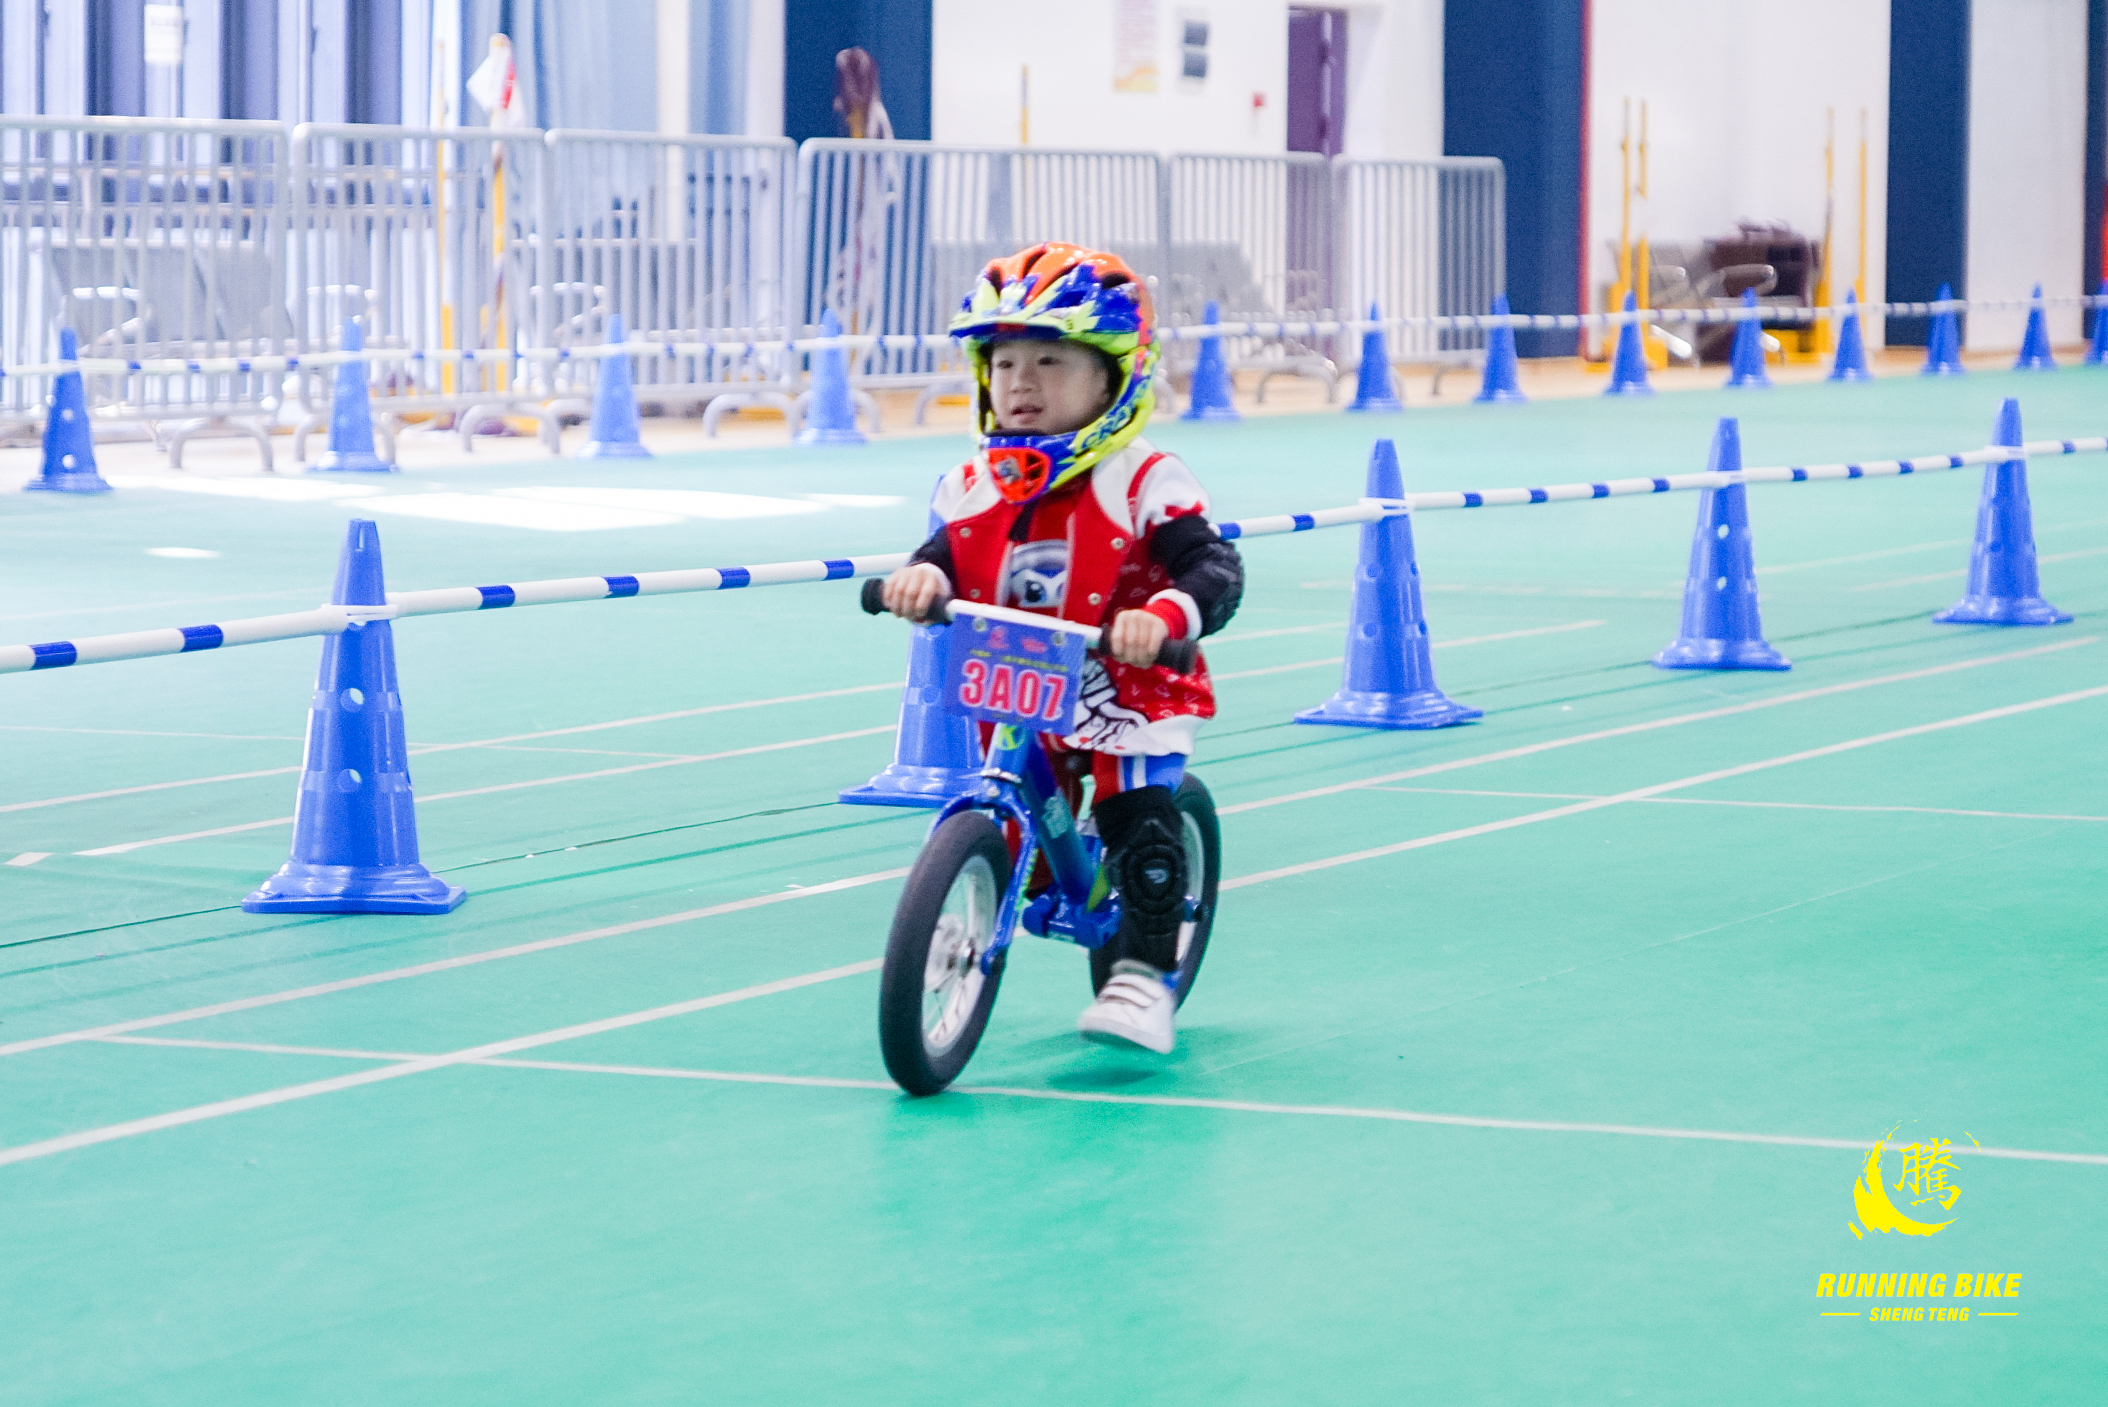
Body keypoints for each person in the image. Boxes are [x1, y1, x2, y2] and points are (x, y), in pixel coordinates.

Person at [880, 243, 1243, 1055]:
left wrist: (1168, 612)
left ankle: (1144, 975)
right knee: (1005, 814)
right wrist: (920, 577)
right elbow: (946, 554)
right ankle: (971, 909)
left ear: (1112, 380)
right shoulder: (972, 482)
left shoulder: (1145, 479)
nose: (1021, 382)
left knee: (1136, 815)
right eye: (1004, 362)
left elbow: (1213, 566)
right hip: (1020, 679)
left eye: (1050, 360)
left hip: (1127, 685)